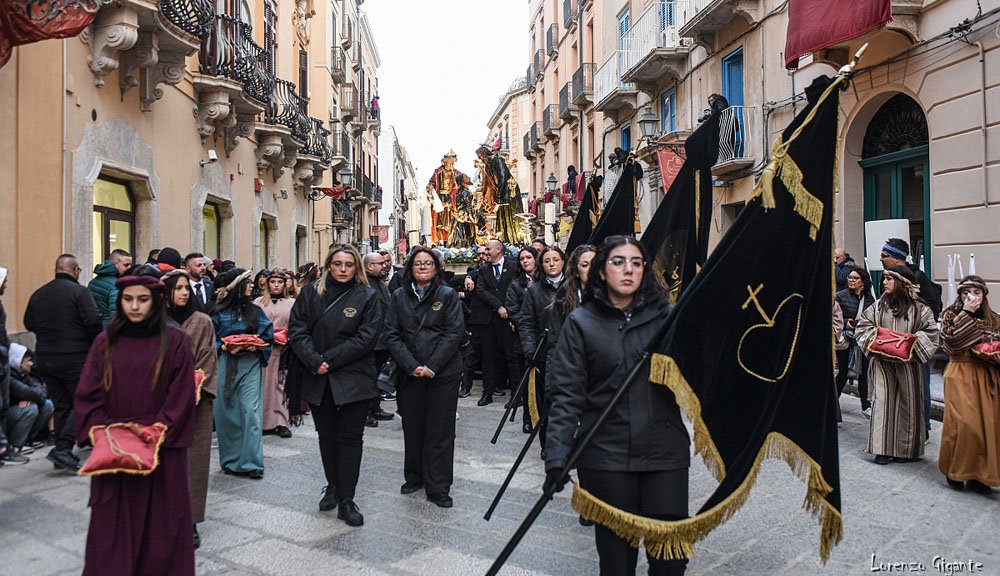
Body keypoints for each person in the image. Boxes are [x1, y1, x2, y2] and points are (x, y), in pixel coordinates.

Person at [544, 236, 689, 576]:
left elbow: (696, 374)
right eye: (618, 262)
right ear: (601, 271)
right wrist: (556, 458)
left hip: (664, 453)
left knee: (671, 561)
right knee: (617, 562)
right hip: (605, 455)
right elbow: (566, 395)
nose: (628, 270)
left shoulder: (667, 318)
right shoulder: (581, 323)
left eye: (636, 263)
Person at [74, 265, 197, 575]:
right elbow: (88, 393)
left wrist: (156, 432)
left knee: (163, 531)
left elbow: (181, 395)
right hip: (115, 452)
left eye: (142, 299)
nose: (135, 306)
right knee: (112, 530)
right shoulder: (105, 342)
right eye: (128, 299)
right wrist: (108, 434)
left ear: (155, 302)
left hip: (161, 454)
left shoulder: (176, 342)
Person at [288, 245, 382, 525]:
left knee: (351, 439)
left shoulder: (368, 296)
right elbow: (297, 329)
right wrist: (314, 360)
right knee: (326, 437)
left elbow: (367, 337)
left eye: (348, 265)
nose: (342, 269)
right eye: (337, 264)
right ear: (328, 265)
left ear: (357, 268)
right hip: (319, 376)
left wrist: (329, 359)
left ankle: (347, 499)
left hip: (354, 377)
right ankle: (333, 485)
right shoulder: (309, 294)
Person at [382, 247, 464, 508]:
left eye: (428, 263)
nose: (423, 267)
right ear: (410, 268)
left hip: (443, 373)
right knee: (413, 426)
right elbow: (391, 334)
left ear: (436, 267)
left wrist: (432, 366)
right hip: (410, 372)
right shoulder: (397, 296)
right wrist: (411, 365)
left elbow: (454, 333)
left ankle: (438, 485)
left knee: (440, 430)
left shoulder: (448, 295)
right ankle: (414, 476)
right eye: (418, 263)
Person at [24, 254, 103, 471]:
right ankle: (64, 448)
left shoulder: (39, 294)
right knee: (85, 401)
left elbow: (28, 322)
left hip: (46, 357)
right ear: (75, 270)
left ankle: (62, 448)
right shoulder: (79, 292)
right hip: (74, 357)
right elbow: (93, 322)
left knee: (62, 404)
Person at [856, 265, 940, 465]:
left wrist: (907, 345)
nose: (884, 282)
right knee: (883, 404)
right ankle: (882, 449)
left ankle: (906, 450)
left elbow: (930, 333)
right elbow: (863, 326)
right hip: (882, 365)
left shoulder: (920, 309)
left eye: (888, 279)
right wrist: (880, 341)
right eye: (883, 278)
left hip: (908, 367)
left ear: (902, 283)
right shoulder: (877, 307)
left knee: (908, 404)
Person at [162, 269, 218, 549]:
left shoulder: (203, 322)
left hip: (197, 404)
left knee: (195, 463)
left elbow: (208, 359)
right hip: (162, 406)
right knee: (166, 463)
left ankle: (192, 521)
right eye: (178, 288)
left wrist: (193, 391)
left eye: (186, 288)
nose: (184, 292)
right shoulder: (157, 323)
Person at [938, 275, 1000, 494]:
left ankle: (980, 476)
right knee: (964, 424)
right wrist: (966, 314)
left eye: (976, 292)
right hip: (961, 373)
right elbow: (951, 342)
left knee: (987, 427)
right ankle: (956, 471)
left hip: (987, 376)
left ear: (984, 295)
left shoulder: (994, 318)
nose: (971, 297)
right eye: (966, 292)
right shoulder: (951, 315)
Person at [211, 268, 273, 479]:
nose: (252, 285)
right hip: (225, 363)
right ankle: (230, 460)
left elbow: (268, 334)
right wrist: (224, 347)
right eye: (247, 282)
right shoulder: (218, 312)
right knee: (225, 412)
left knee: (250, 411)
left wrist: (258, 345)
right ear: (236, 287)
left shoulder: (256, 312)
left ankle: (252, 463)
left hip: (250, 364)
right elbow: (209, 339)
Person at [880, 237, 943, 435]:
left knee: (919, 387)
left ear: (898, 258)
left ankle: (921, 428)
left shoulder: (919, 277)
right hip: (891, 347)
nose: (881, 259)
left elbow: (931, 309)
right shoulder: (886, 283)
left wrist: (914, 333)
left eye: (885, 256)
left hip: (913, 345)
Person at [517, 245, 565, 442]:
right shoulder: (535, 291)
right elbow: (526, 322)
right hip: (544, 353)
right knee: (546, 400)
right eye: (547, 261)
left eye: (555, 260)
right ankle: (548, 443)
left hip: (570, 352)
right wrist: (530, 350)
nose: (552, 264)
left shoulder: (573, 286)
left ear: (563, 262)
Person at [252, 270, 295, 439]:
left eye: (279, 282)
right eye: (273, 281)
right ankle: (262, 422)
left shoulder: (292, 303)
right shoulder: (258, 302)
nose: (276, 285)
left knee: (281, 385)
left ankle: (281, 422)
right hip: (262, 349)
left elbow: (297, 325)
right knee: (262, 385)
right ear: (267, 284)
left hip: (283, 349)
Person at [475, 239, 518, 406]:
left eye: (488, 249)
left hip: (508, 319)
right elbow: (481, 291)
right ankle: (487, 393)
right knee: (488, 357)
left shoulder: (513, 266)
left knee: (511, 356)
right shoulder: (484, 269)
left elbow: (514, 289)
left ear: (499, 249)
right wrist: (498, 306)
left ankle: (516, 394)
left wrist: (508, 309)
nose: (485, 252)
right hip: (489, 320)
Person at [835, 265, 875, 415]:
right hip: (846, 340)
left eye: (855, 278)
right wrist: (846, 322)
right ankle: (832, 402)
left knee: (864, 372)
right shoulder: (840, 296)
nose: (851, 280)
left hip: (862, 340)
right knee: (843, 372)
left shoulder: (869, 299)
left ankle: (866, 405)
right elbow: (834, 316)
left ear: (862, 282)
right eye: (850, 278)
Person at [3, 344, 54, 460]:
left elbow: (41, 391)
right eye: (28, 361)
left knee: (47, 405)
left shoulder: (24, 375)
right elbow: (26, 392)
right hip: (7, 416)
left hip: (15, 413)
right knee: (30, 408)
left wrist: (31, 397)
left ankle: (28, 441)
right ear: (19, 362)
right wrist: (30, 397)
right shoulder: (10, 377)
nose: (31, 363)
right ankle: (16, 445)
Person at [505, 246, 538, 427]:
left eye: (528, 258)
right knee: (526, 381)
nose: (525, 261)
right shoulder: (516, 284)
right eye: (522, 258)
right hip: (523, 337)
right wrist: (526, 323)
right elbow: (512, 310)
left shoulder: (544, 282)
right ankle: (528, 418)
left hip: (546, 336)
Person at [547, 244, 597, 359]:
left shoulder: (613, 298)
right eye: (585, 265)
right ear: (576, 271)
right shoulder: (563, 300)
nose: (591, 269)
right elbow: (555, 343)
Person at [363, 253, 394, 427]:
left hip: (383, 340)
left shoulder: (379, 284)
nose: (385, 266)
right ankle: (366, 411)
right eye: (381, 263)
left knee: (377, 377)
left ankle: (375, 407)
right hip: (372, 342)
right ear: (369, 267)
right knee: (369, 378)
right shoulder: (365, 285)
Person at [88, 249, 133, 327]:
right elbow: (115, 314)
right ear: (115, 264)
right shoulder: (116, 285)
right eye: (126, 265)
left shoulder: (93, 281)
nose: (129, 268)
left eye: (131, 265)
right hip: (109, 330)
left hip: (95, 328)